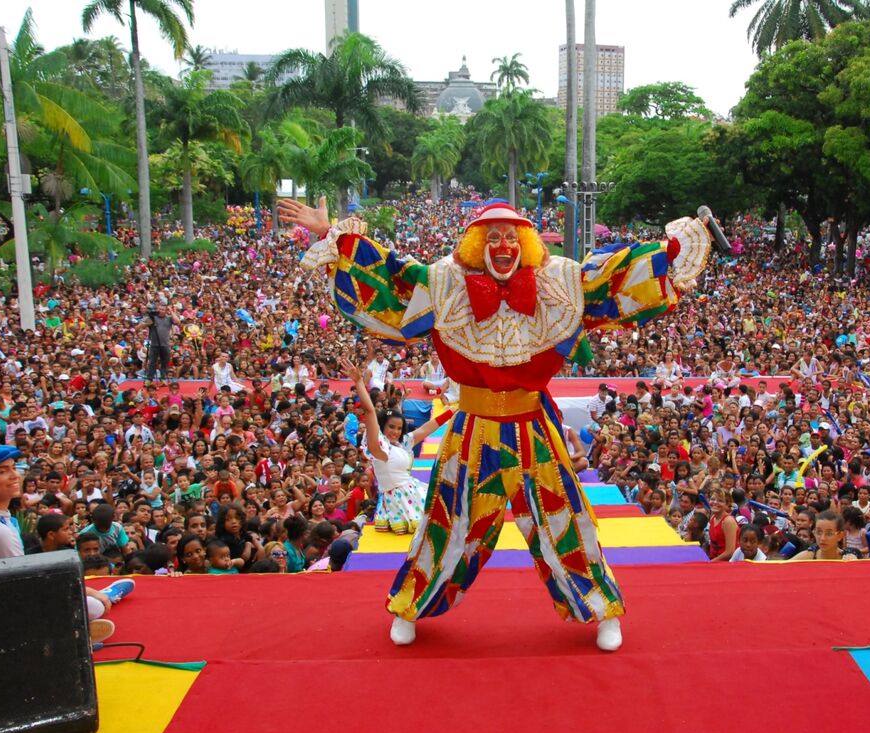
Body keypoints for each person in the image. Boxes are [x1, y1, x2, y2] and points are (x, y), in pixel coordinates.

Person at [283, 196, 712, 652]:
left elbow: (613, 278)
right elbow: (392, 280)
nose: (503, 245)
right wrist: (334, 235)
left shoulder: (561, 280)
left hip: (534, 426)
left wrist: (670, 253)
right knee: (448, 523)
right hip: (473, 428)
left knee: (563, 520)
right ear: (475, 244)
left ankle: (602, 609)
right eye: (492, 236)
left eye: (511, 236)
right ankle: (410, 606)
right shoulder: (443, 282)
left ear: (524, 242)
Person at [341, 350, 447, 536]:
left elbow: (426, 428)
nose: (395, 432)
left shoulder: (402, 443)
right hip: (395, 502)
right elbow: (370, 411)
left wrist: (455, 411)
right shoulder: (379, 447)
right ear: (382, 427)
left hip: (413, 494)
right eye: (391, 427)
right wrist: (359, 382)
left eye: (399, 428)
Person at [0, 446, 23, 560]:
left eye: (14, 467)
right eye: (2, 471)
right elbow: (18, 576)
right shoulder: (0, 532)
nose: (15, 475)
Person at [143, 303, 175, 381]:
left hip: (165, 344)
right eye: (159, 309)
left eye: (163, 309)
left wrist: (171, 311)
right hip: (154, 344)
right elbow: (141, 325)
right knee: (152, 363)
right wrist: (147, 323)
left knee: (165, 362)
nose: (161, 311)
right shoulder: (153, 318)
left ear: (166, 311)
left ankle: (163, 378)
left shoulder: (169, 318)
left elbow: (177, 321)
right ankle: (149, 379)